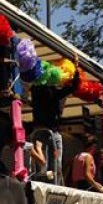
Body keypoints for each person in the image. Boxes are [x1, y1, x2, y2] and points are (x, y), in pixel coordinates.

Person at [29, 56, 81, 185]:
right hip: (46, 130)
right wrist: (75, 67)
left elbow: (72, 87)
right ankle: (49, 185)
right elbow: (73, 86)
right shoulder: (46, 90)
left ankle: (51, 184)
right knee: (50, 163)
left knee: (50, 163)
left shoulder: (42, 89)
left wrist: (74, 67)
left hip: (46, 130)